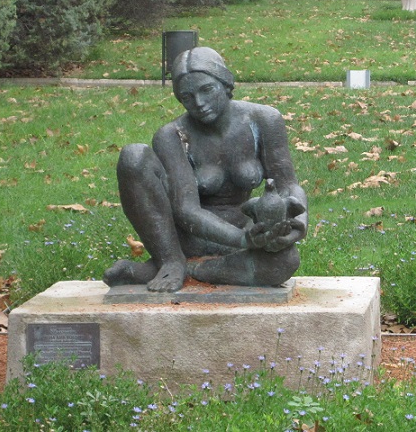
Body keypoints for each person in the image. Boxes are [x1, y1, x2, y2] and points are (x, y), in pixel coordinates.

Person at [103, 47, 308, 292]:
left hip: (244, 235)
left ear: (225, 83)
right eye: (187, 97)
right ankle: (171, 260)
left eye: (207, 90)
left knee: (285, 262)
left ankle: (179, 270)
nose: (199, 103)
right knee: (133, 155)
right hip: (189, 238)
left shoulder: (264, 119)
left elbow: (288, 186)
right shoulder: (171, 135)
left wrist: (298, 224)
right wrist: (243, 239)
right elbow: (186, 210)